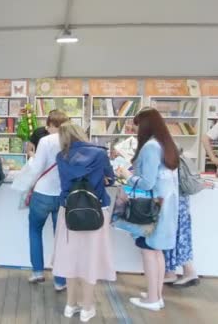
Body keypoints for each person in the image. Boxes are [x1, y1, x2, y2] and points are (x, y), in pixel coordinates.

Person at [115, 108, 179, 312]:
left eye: (137, 126)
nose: (135, 131)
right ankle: (156, 295)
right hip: (164, 205)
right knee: (156, 251)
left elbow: (147, 183)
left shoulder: (150, 147)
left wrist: (127, 174)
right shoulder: (165, 144)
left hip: (151, 208)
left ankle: (152, 298)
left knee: (149, 251)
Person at [52, 122, 116, 322]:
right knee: (91, 259)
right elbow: (110, 179)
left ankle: (71, 305)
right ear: (81, 133)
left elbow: (65, 183)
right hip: (95, 211)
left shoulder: (61, 157)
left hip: (69, 211)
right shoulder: (99, 154)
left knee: (70, 258)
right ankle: (87, 307)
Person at [24, 110, 69, 290]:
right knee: (61, 238)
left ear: (51, 125)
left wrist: (31, 157)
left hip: (42, 194)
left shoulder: (45, 141)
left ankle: (37, 272)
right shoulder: (70, 140)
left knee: (35, 232)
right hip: (62, 195)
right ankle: (60, 281)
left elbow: (36, 168)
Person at [163, 194, 199, 287]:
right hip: (178, 200)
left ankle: (189, 272)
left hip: (174, 199)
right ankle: (170, 273)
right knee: (175, 234)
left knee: (176, 235)